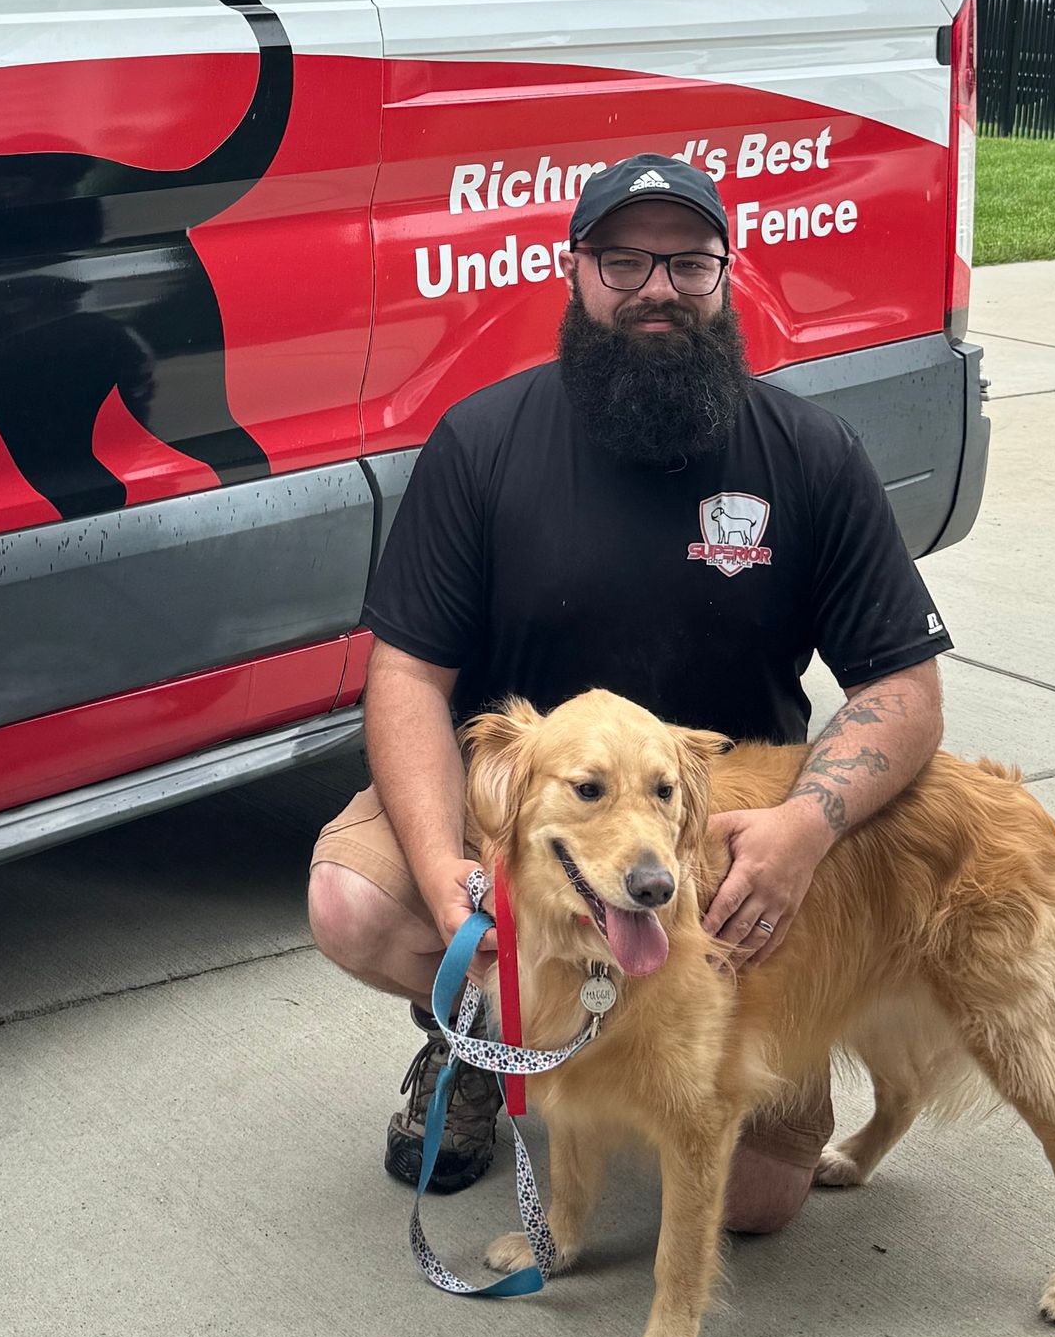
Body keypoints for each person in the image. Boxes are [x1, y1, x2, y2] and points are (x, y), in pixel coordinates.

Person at [308, 152, 948, 1234]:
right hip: (539, 801)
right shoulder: (482, 441)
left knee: (756, 1206)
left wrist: (804, 826)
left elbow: (907, 686)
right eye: (624, 260)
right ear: (575, 273)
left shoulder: (811, 453)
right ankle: (481, 1035)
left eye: (689, 262)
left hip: (729, 823)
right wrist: (445, 873)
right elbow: (408, 673)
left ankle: (687, 1038)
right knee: (356, 902)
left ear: (726, 275)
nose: (658, 288)